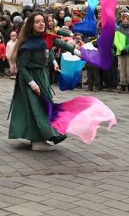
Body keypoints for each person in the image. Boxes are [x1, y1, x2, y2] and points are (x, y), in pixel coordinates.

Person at [8, 12, 80, 150]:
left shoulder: (46, 38)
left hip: (43, 76)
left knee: (44, 106)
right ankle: (38, 141)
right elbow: (22, 67)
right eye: (37, 22)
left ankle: (42, 137)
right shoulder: (28, 45)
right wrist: (32, 83)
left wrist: (78, 52)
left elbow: (58, 43)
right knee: (37, 108)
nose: (41, 24)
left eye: (43, 21)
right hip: (30, 78)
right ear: (31, 25)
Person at [114, 12, 129, 92]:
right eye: (124, 18)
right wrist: (121, 49)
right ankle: (123, 84)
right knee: (121, 68)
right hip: (120, 52)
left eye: (127, 18)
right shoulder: (118, 28)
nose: (125, 20)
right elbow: (116, 40)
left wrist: (127, 49)